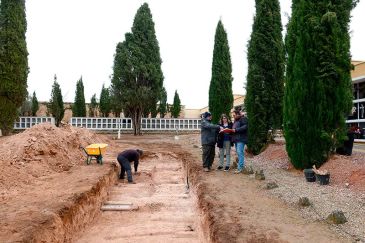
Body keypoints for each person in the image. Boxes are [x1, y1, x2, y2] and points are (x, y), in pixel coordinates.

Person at [231, 109, 248, 173]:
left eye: (234, 115)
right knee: (238, 153)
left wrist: (236, 130)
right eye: (233, 115)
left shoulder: (243, 119)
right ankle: (240, 166)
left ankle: (240, 168)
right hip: (236, 139)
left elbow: (245, 127)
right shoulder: (235, 121)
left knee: (240, 152)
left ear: (238, 114)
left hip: (241, 139)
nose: (233, 116)